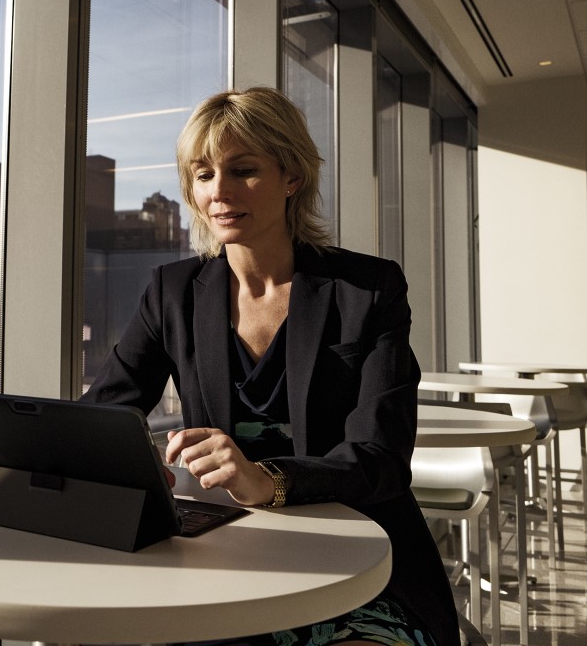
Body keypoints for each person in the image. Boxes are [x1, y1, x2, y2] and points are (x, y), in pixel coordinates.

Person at [82, 87, 458, 646]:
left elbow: (380, 459)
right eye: (203, 174)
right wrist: (125, 462)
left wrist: (266, 481)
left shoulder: (367, 290)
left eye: (243, 170)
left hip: (356, 557)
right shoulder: (173, 291)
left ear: (293, 177)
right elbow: (106, 412)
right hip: (223, 554)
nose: (220, 192)